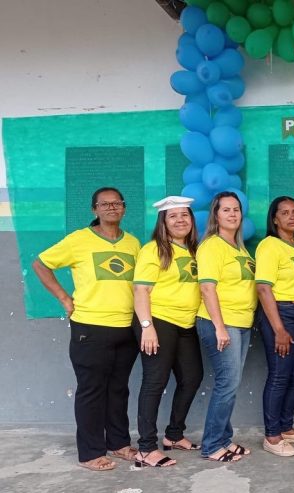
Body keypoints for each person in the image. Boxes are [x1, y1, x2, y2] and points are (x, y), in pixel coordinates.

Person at [32, 187, 140, 471]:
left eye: (117, 203)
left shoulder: (133, 244)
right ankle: (91, 452)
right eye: (105, 204)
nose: (111, 208)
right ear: (95, 210)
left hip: (126, 327)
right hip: (90, 328)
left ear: (124, 208)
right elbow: (41, 264)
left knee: (118, 389)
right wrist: (63, 298)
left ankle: (119, 443)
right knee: (92, 390)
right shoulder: (79, 240)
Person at [132, 196, 202, 468]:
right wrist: (147, 327)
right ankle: (146, 448)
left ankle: (173, 435)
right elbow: (141, 290)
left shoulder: (194, 250)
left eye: (184, 215)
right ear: (163, 222)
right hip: (158, 321)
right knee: (155, 382)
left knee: (192, 377)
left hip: (186, 324)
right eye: (173, 216)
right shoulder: (154, 250)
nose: (180, 220)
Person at [255, 196, 294, 457]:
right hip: (282, 315)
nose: (292, 217)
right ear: (274, 218)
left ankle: (286, 426)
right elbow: (263, 288)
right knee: (280, 375)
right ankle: (272, 436)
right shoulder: (269, 246)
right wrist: (279, 329)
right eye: (285, 213)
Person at [197, 191, 258, 463]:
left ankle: (224, 438)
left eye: (236, 209)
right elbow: (207, 288)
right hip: (222, 323)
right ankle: (212, 445)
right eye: (226, 210)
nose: (233, 214)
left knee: (231, 384)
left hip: (241, 322)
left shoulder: (239, 248)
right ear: (216, 215)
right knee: (227, 384)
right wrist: (220, 327)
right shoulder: (212, 246)